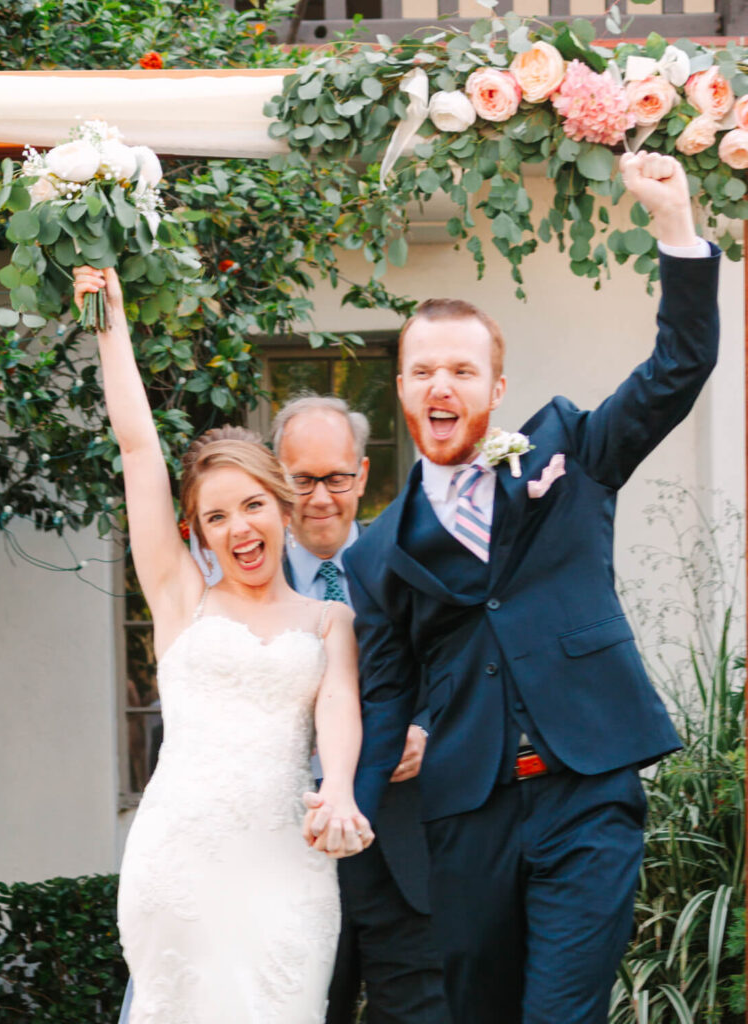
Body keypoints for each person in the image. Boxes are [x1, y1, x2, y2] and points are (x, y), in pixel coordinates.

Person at [304, 151, 721, 1023]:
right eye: (424, 371)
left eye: (461, 370)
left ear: (494, 388)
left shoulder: (568, 452)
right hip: (467, 817)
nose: (441, 384)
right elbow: (384, 698)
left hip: (587, 791)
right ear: (405, 391)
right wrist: (349, 797)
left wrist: (675, 227)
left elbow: (675, 372)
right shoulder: (376, 556)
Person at [73, 265, 373, 1024]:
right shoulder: (181, 600)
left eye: (252, 506)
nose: (239, 528)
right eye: (215, 518)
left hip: (288, 872)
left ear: (282, 505)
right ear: (198, 532)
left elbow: (339, 709)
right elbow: (140, 450)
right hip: (181, 860)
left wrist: (336, 789)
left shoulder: (327, 620)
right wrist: (109, 323)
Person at [273, 395, 450, 1024]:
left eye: (337, 478)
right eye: (303, 480)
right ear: (277, 475)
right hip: (282, 850)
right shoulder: (241, 585)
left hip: (401, 848)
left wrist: (428, 729)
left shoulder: (411, 566)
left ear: (362, 476)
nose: (322, 497)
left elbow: (460, 678)